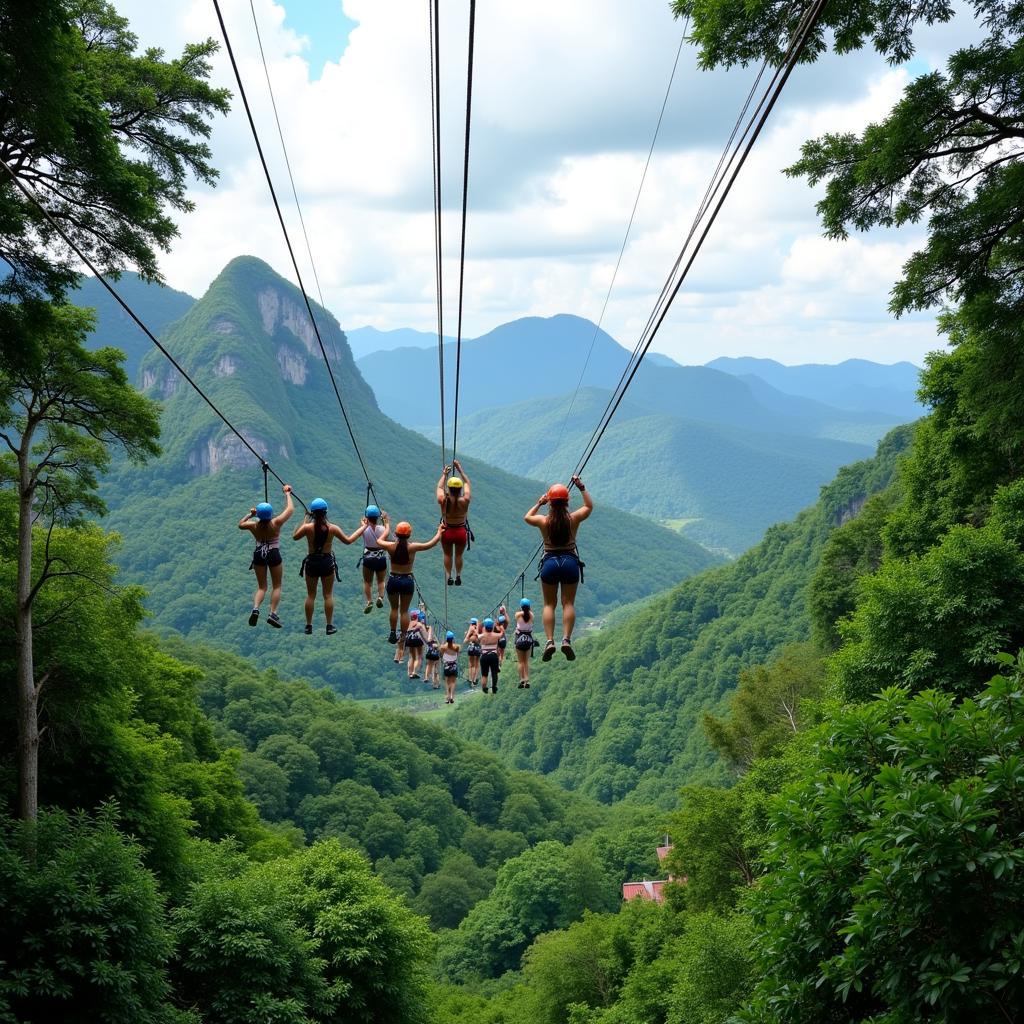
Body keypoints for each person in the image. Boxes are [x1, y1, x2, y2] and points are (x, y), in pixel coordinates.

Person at [524, 475, 593, 661]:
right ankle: (567, 640)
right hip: (570, 562)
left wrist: (539, 503)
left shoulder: (543, 521)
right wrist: (581, 487)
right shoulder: (573, 519)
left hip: (550, 563)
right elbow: (589, 507)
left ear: (550, 503)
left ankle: (549, 641)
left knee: (549, 604)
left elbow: (527, 517)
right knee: (568, 603)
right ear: (567, 502)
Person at [293, 497, 357, 634]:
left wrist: (305, 520)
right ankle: (329, 626)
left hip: (312, 562)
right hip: (326, 562)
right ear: (325, 512)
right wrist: (363, 527)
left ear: (313, 513)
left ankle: (308, 625)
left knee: (311, 595)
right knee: (328, 595)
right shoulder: (333, 528)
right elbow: (348, 540)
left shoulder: (307, 528)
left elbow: (295, 536)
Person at [376, 520, 442, 644]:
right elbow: (431, 544)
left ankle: (392, 632)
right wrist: (439, 531)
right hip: (407, 581)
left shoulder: (390, 546)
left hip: (393, 580)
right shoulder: (413, 547)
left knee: (394, 609)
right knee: (404, 610)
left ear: (395, 534)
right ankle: (404, 635)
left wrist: (386, 527)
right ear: (409, 535)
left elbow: (378, 541)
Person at [238, 484, 294, 628]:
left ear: (259, 515)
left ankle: (256, 608)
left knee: (262, 587)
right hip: (273, 553)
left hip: (258, 554)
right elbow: (290, 510)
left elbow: (240, 524)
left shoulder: (253, 525)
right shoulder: (276, 523)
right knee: (277, 586)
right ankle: (272, 613)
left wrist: (251, 514)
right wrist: (287, 493)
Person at [436, 459, 471, 586]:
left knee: (447, 554)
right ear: (460, 488)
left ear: (449, 488)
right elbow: (467, 482)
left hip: (447, 530)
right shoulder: (465, 500)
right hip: (461, 531)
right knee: (458, 556)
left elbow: (440, 487)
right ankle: (458, 575)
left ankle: (449, 575)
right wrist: (460, 469)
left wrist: (445, 474)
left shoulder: (443, 500)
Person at [357, 504, 390, 612]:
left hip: (368, 558)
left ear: (367, 518)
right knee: (380, 580)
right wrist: (385, 520)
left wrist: (364, 521)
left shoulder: (364, 529)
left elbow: (363, 524)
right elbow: (387, 531)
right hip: (380, 557)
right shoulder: (382, 529)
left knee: (367, 582)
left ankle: (369, 601)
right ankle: (380, 597)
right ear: (377, 518)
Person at [514, 597, 537, 688]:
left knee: (520, 662)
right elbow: (528, 614)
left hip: (519, 639)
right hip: (528, 639)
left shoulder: (518, 615)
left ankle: (522, 680)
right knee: (526, 661)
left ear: (521, 606)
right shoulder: (531, 615)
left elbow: (518, 616)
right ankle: (527, 680)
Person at [479, 617, 501, 694]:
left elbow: (474, 638)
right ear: (492, 627)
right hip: (493, 656)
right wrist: (498, 625)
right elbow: (502, 633)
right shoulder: (496, 635)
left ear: (485, 627)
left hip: (484, 656)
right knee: (494, 673)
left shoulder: (481, 636)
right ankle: (494, 686)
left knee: (484, 675)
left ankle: (484, 688)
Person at [403, 608, 428, 677]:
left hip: (409, 640)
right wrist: (429, 643)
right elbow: (424, 635)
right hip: (417, 639)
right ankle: (414, 672)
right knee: (419, 657)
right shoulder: (419, 624)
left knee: (411, 657)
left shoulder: (407, 624)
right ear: (417, 617)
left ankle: (409, 672)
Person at [441, 631, 460, 704]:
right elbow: (457, 655)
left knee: (447, 682)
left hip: (446, 665)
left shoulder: (443, 647)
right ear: (453, 639)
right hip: (454, 665)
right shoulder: (457, 647)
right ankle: (452, 696)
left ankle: (447, 697)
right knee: (453, 682)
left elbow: (442, 655)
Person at [463, 618, 481, 687]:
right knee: (477, 664)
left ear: (471, 623)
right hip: (478, 648)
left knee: (471, 665)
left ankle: (471, 680)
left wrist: (467, 636)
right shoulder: (479, 628)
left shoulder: (471, 628)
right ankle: (475, 679)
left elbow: (465, 640)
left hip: (472, 647)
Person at [424, 622, 441, 689]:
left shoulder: (427, 637)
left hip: (432, 654)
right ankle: (435, 683)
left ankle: (427, 678)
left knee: (430, 667)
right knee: (435, 670)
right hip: (436, 655)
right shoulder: (433, 638)